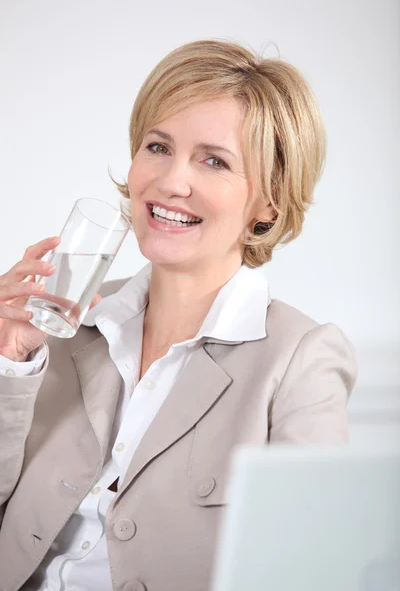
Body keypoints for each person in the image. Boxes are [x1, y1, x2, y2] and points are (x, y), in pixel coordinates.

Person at [0, 39, 357, 591]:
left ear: (270, 203)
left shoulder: (300, 359)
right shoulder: (64, 322)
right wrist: (9, 362)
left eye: (214, 161)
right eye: (158, 147)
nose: (170, 182)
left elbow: (307, 567)